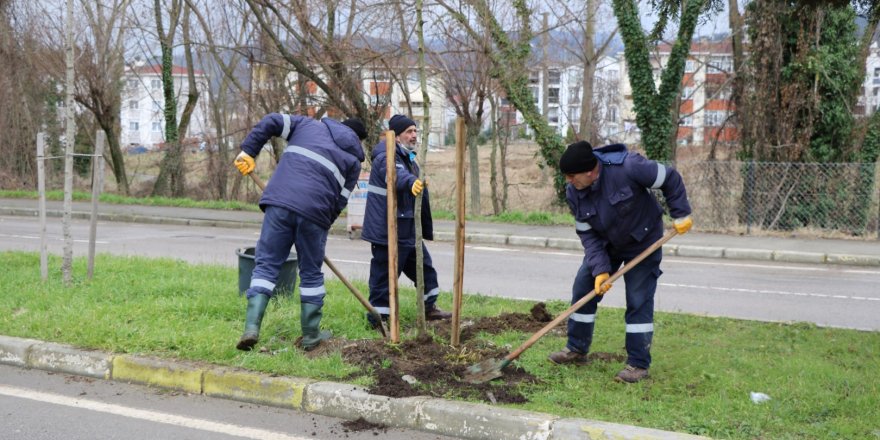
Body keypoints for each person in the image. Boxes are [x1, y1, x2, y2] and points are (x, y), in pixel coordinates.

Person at [548, 141, 692, 383]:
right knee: (584, 288)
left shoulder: (629, 167)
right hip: (606, 244)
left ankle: (638, 364)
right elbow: (587, 234)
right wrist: (601, 269)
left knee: (638, 299)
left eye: (572, 176)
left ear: (591, 171)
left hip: (643, 242)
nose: (568, 181)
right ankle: (577, 349)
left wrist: (681, 213)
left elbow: (670, 177)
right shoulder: (574, 192)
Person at [233, 113, 367, 351]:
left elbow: (271, 120)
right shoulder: (354, 163)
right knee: (311, 274)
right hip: (316, 215)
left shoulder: (306, 126)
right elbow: (340, 202)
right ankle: (311, 336)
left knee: (266, 266)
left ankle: (251, 328)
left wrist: (248, 152)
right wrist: (321, 225)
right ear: (358, 140)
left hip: (280, 203)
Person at [360, 114, 452, 327]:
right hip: (388, 230)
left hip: (408, 229)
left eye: (415, 131)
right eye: (409, 132)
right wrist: (410, 182)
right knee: (384, 276)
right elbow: (394, 175)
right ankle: (379, 320)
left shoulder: (409, 159)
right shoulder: (386, 156)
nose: (413, 136)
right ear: (396, 135)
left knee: (425, 269)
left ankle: (430, 308)